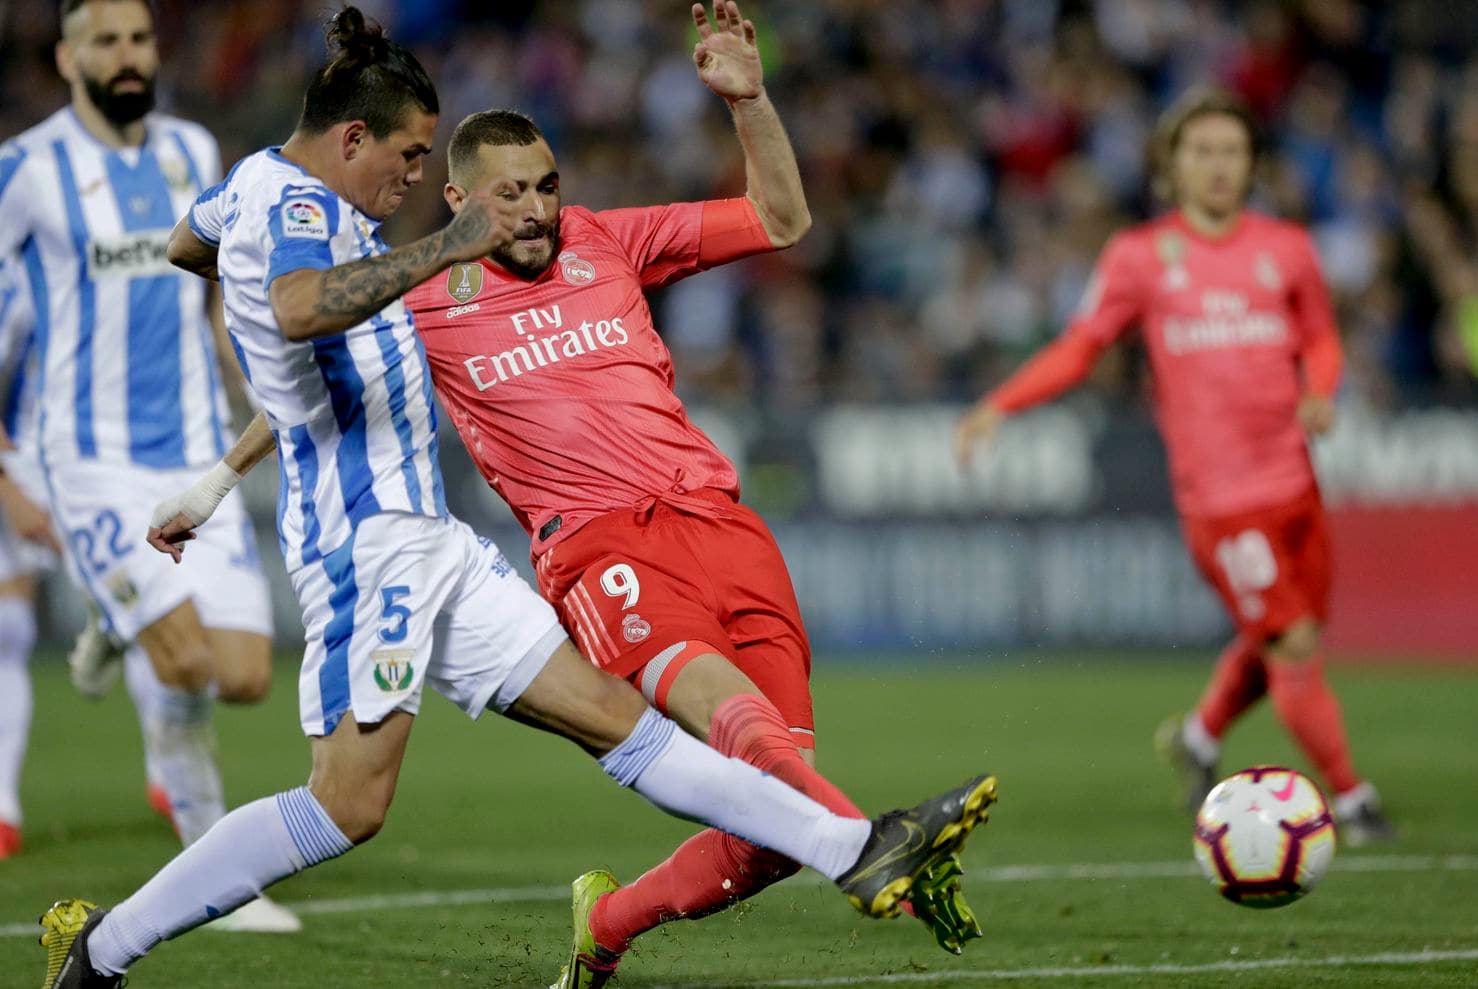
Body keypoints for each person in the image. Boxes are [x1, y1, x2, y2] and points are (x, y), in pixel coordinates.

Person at [36, 9, 998, 986]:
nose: (408, 180)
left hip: (437, 543)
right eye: (408, 156)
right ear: (353, 138)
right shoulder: (306, 213)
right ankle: (103, 947)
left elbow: (188, 244)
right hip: (369, 545)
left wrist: (215, 463)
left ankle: (854, 845)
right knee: (346, 805)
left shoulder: (265, 193)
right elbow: (292, 308)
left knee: (620, 722)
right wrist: (442, 247)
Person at [401, 5, 980, 985]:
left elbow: (780, 219)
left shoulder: (607, 239)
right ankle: (870, 841)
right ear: (458, 199)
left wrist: (749, 103)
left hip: (721, 524)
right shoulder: (420, 304)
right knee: (733, 725)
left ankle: (608, 924)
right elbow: (293, 355)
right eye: (508, 196)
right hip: (599, 548)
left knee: (768, 826)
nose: (538, 209)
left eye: (547, 185)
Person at [955, 87, 1393, 846]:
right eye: (1202, 152)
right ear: (1172, 165)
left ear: (1251, 163)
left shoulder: (1286, 248)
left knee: (1289, 630)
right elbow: (1081, 346)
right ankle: (1352, 800)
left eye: (1232, 151)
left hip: (1295, 478)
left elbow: (1320, 338)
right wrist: (1002, 401)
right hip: (1220, 498)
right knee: (1290, 643)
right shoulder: (1140, 257)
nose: (1218, 166)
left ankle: (1199, 734)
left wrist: (1321, 392)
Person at [0, 0, 297, 928]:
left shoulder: (193, 154)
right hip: (85, 459)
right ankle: (216, 876)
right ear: (67, 56)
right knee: (185, 659)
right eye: (107, 42)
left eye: (140, 40)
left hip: (193, 445)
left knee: (244, 673)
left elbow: (213, 302)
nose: (129, 57)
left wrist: (253, 399)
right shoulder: (25, 168)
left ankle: (115, 617)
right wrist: (5, 478)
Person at [0, 255, 57, 860]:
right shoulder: (12, 277)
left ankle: (172, 784)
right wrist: (8, 485)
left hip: (91, 457)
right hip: (24, 464)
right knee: (11, 630)